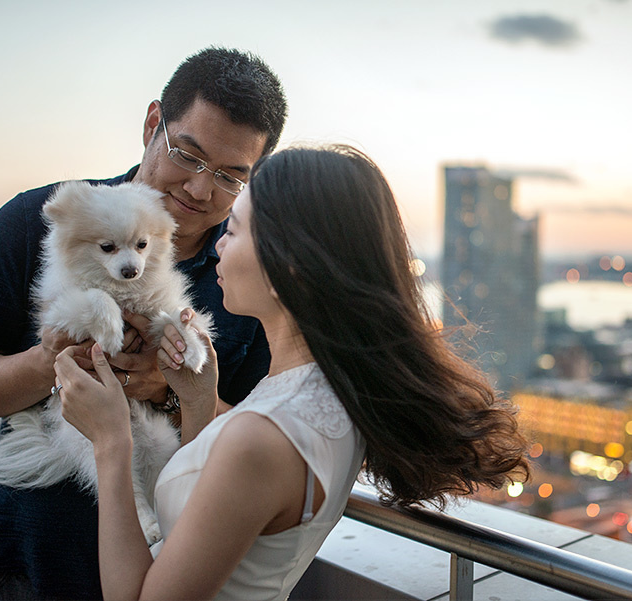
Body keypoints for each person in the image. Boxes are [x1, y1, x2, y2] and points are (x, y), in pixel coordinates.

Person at [53, 145, 531, 600]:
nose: (218, 244)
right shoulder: (326, 396)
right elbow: (215, 510)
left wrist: (110, 442)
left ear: (290, 269)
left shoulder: (263, 435)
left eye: (235, 230)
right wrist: (200, 400)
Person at [0, 47, 287, 599]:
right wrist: (51, 360)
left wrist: (168, 391)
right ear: (153, 124)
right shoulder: (40, 221)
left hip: (168, 573)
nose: (200, 188)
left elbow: (260, 437)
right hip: (24, 567)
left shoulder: (250, 276)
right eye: (188, 156)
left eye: (229, 176)